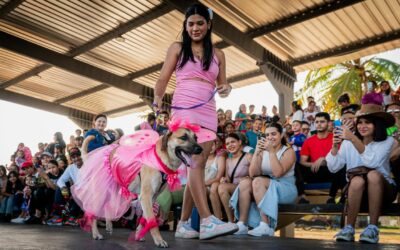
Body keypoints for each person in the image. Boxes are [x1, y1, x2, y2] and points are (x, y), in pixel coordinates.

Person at [152, 3, 237, 239]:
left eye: (200, 23)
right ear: (185, 26)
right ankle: (208, 221)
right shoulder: (178, 48)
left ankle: (183, 224)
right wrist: (157, 99)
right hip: (184, 110)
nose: (195, 28)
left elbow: (222, 86)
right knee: (196, 163)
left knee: (195, 167)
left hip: (208, 112)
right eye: (191, 24)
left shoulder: (218, 54)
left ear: (208, 25)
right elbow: (162, 78)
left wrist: (226, 88)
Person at [326, 101, 397, 243]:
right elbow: (333, 167)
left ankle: (373, 228)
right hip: (357, 191)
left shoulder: (387, 141)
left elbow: (372, 163)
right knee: (357, 180)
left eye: (367, 123)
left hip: (383, 191)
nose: (362, 126)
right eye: (360, 122)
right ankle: (349, 228)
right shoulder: (347, 142)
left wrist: (352, 138)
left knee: (373, 174)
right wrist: (335, 146)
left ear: (377, 124)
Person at [230, 123, 297, 236]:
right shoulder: (263, 151)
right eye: (267, 135)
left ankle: (266, 225)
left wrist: (271, 152)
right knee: (246, 182)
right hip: (264, 185)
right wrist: (257, 152)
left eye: (273, 134)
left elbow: (278, 173)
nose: (270, 137)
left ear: (281, 135)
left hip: (286, 188)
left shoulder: (288, 151)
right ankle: (242, 224)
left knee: (258, 181)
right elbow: (253, 173)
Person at [299, 112, 346, 204]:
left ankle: (334, 197)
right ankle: (302, 197)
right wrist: (315, 163)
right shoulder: (308, 141)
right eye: (316, 122)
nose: (319, 124)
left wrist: (324, 160)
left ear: (328, 123)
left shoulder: (336, 138)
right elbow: (302, 161)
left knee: (341, 167)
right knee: (296, 166)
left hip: (331, 172)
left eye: (322, 121)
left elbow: (341, 160)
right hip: (315, 171)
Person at [215, 133, 252, 223]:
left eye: (233, 142)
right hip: (234, 188)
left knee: (222, 187)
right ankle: (230, 221)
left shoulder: (248, 156)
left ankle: (232, 221)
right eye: (227, 144)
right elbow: (228, 178)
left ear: (239, 142)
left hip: (246, 189)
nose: (230, 145)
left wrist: (248, 178)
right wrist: (224, 180)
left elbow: (256, 173)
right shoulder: (228, 160)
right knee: (221, 186)